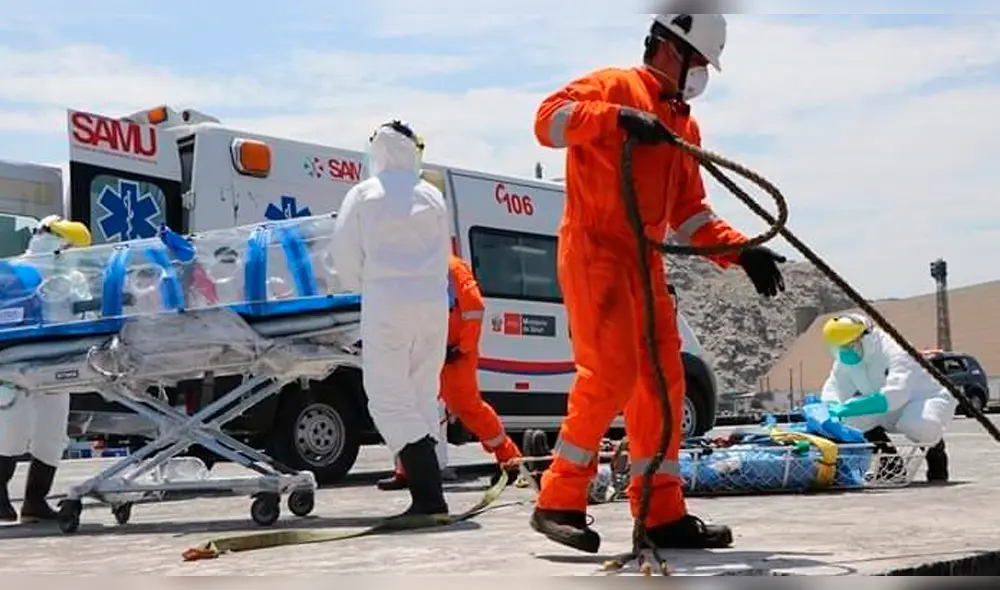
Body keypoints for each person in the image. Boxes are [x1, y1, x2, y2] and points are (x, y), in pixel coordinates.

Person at [530, 13, 786, 554]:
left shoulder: (683, 128)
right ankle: (558, 499)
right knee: (611, 373)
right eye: (697, 61)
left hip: (644, 261)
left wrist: (742, 252)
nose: (700, 74)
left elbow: (690, 216)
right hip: (595, 250)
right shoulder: (612, 86)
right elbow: (547, 123)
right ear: (670, 48)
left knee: (663, 381)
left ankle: (660, 513)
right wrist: (617, 119)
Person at [331, 119, 453, 517]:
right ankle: (427, 495)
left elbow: (345, 256)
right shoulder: (432, 196)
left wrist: (362, 285)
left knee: (387, 399)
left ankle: (429, 496)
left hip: (388, 304)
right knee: (420, 395)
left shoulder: (364, 194)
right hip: (433, 305)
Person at [376, 254, 524, 491]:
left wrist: (462, 347)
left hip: (453, 354)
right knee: (410, 407)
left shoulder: (451, 267)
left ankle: (510, 460)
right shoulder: (413, 265)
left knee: (466, 406)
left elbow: (474, 307)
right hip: (427, 349)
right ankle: (408, 468)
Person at [0, 214, 92, 523]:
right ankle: (4, 499)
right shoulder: (13, 271)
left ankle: (34, 502)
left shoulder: (67, 275)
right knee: (13, 432)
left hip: (50, 361)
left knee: (49, 436)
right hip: (19, 363)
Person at [820, 313, 954, 483]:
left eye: (850, 345)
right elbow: (835, 386)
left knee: (920, 426)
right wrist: (830, 406)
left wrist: (849, 408)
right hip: (882, 405)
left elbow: (896, 394)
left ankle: (936, 457)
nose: (846, 351)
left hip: (923, 399)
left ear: (866, 336)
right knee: (849, 419)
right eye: (840, 347)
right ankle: (891, 464)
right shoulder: (847, 359)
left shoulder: (896, 350)